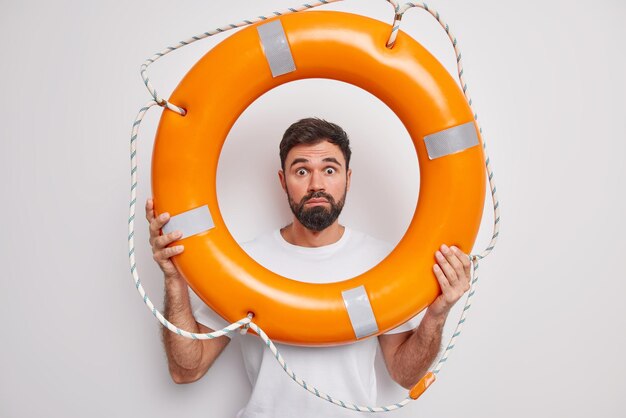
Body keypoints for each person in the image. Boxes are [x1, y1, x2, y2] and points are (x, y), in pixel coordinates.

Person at [145, 118, 472, 417]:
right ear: (283, 181)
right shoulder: (244, 264)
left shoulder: (382, 263)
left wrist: (437, 314)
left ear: (348, 177)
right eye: (301, 171)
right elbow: (186, 370)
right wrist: (175, 279)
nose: (317, 184)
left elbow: (405, 374)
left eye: (329, 170)